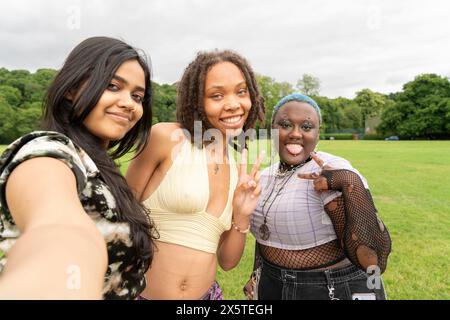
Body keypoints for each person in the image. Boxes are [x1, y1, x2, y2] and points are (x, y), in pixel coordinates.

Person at [0, 36, 157, 299]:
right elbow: (58, 229)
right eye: (112, 86)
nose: (129, 103)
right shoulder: (49, 152)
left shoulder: (99, 166)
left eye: (137, 96)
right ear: (72, 89)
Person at [126, 50, 265, 300]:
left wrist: (242, 215)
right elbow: (117, 218)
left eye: (241, 91)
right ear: (196, 101)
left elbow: (227, 261)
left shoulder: (235, 169)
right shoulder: (165, 138)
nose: (234, 104)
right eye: (217, 95)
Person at [244, 93, 391, 300]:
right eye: (285, 124)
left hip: (329, 286)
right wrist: (256, 272)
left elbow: (373, 263)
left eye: (306, 127)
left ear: (318, 133)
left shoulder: (331, 169)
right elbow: (266, 233)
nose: (295, 134)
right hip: (272, 284)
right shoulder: (265, 175)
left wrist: (349, 182)